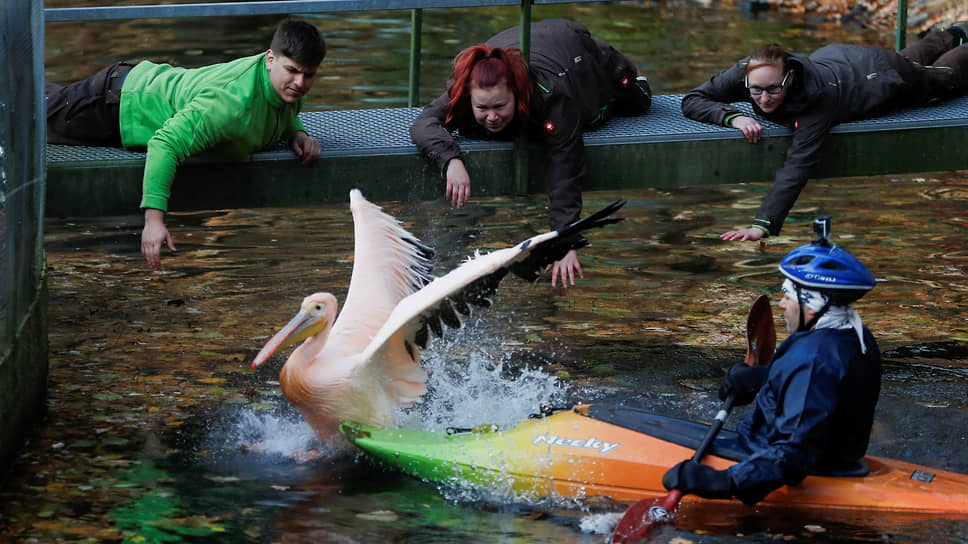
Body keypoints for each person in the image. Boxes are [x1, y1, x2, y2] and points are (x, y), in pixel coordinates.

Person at [46, 19, 327, 270]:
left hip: (144, 87)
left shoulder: (286, 87)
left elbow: (283, 110)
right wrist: (154, 222)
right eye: (292, 71)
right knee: (32, 115)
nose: (300, 83)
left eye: (309, 75)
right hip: (116, 103)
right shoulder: (228, 105)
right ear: (270, 59)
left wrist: (297, 134)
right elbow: (164, 144)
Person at [409, 19, 652, 287]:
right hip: (530, 42)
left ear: (516, 94)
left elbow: (566, 167)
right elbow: (423, 124)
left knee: (633, 104)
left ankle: (633, 84)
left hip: (582, 57)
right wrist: (451, 160)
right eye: (483, 108)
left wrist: (563, 241)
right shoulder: (463, 92)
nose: (492, 117)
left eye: (500, 106)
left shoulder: (552, 99)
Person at [662, 217, 882, 505]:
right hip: (837, 457)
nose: (781, 304)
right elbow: (825, 389)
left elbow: (793, 453)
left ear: (812, 306)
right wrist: (763, 379)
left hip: (785, 462)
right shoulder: (853, 334)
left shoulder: (813, 358)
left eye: (788, 295)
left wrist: (723, 482)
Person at [681, 23, 968, 242]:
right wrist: (732, 117)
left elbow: (797, 166)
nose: (764, 98)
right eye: (756, 90)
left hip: (877, 78)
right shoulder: (748, 71)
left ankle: (958, 42)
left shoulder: (815, 103)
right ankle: (954, 33)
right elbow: (693, 99)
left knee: (942, 78)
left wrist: (762, 226)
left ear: (790, 78)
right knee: (909, 62)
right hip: (840, 58)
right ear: (746, 77)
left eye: (773, 89)